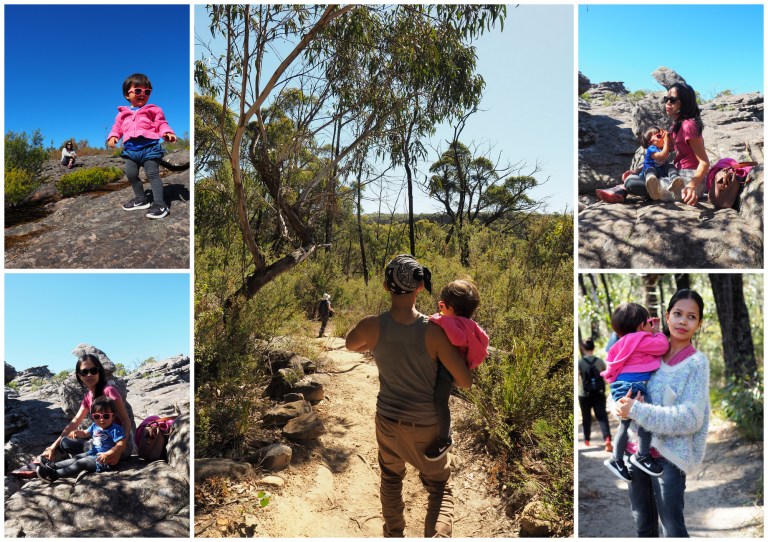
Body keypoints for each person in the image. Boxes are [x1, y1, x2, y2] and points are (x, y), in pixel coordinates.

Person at [346, 254, 472, 537]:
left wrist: (379, 347)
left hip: (387, 422)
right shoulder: (434, 332)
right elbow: (465, 382)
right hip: (426, 426)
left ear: (385, 286)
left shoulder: (371, 325)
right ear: (419, 288)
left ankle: (394, 532)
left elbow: (350, 344)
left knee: (391, 479)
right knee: (439, 486)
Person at [615, 289, 710, 537]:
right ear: (667, 316)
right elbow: (621, 385)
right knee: (644, 528)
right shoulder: (647, 349)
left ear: (698, 324)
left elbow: (691, 418)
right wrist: (619, 406)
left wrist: (637, 409)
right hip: (634, 454)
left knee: (673, 530)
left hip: (668, 458)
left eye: (691, 317)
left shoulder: (696, 363)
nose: (682, 321)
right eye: (677, 313)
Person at [596, 83, 709, 205]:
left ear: (685, 102)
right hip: (678, 173)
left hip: (689, 179)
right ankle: (622, 190)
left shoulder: (689, 125)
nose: (668, 103)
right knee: (640, 169)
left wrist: (691, 186)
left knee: (632, 183)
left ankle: (622, 189)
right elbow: (658, 154)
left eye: (673, 100)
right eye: (666, 99)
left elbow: (704, 162)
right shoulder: (676, 127)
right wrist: (637, 171)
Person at [602, 303, 668, 481]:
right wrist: (657, 331)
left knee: (624, 424)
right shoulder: (642, 339)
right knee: (645, 417)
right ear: (641, 326)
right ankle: (643, 455)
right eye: (648, 322)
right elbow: (662, 346)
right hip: (634, 386)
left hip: (620, 386)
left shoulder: (620, 343)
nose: (650, 325)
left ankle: (616, 459)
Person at [426, 279, 489, 460]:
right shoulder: (470, 323)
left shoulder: (453, 321)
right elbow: (484, 339)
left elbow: (457, 339)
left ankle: (444, 439)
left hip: (448, 368)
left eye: (441, 306)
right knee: (439, 400)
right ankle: (443, 429)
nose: (440, 310)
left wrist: (441, 319)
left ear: (450, 308)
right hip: (456, 365)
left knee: (440, 401)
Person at [107, 73, 177, 220]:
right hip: (131, 151)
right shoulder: (122, 114)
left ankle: (160, 204)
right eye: (138, 91)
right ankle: (141, 199)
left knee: (152, 174)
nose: (142, 94)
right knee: (131, 174)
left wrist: (167, 133)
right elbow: (117, 128)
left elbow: (161, 124)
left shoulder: (153, 110)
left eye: (147, 91)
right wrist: (113, 137)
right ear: (127, 94)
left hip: (149, 148)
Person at [41, 353, 133, 464]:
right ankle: (45, 460)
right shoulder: (88, 397)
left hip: (117, 445)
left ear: (99, 372)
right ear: (79, 376)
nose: (89, 375)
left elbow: (126, 421)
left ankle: (48, 465)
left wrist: (119, 450)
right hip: (100, 443)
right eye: (84, 372)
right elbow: (74, 423)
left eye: (93, 370)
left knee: (74, 451)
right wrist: (52, 446)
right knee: (64, 442)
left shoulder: (109, 390)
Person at [36, 396, 126, 482]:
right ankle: (53, 466)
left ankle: (54, 475)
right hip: (92, 453)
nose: (101, 419)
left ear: (113, 416)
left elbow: (121, 444)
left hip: (105, 460)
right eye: (97, 416)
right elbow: (85, 433)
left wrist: (109, 454)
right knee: (76, 458)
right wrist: (78, 433)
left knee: (82, 463)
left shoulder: (115, 429)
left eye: (106, 416)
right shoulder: (95, 426)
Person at [577, 338, 612, 452]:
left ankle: (587, 439)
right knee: (602, 416)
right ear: (593, 348)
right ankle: (607, 439)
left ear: (583, 348)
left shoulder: (580, 362)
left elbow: (577, 376)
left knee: (586, 417)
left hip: (584, 394)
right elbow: (607, 376)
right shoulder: (600, 361)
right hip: (599, 393)